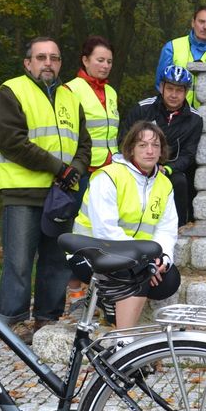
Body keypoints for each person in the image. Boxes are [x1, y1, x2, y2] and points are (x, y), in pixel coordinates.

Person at [0, 36, 91, 343]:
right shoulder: (10, 91)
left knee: (56, 261)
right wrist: (58, 168)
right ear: (28, 63)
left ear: (61, 63)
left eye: (55, 58)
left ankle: (47, 319)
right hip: (23, 192)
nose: (49, 63)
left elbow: (84, 144)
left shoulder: (70, 96)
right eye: (42, 57)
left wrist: (73, 170)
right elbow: (12, 143)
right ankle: (13, 321)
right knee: (19, 260)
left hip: (60, 194)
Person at [71, 121, 180, 329]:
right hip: (90, 252)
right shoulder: (108, 177)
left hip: (136, 256)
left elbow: (166, 229)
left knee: (169, 279)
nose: (150, 151)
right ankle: (124, 340)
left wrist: (161, 260)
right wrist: (143, 261)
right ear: (131, 149)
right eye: (142, 145)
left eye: (155, 145)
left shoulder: (165, 184)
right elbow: (106, 230)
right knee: (138, 273)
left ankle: (112, 300)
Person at [65, 36, 119, 308]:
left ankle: (98, 290)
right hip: (84, 171)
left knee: (103, 234)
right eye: (100, 60)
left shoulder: (111, 92)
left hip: (109, 173)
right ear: (85, 60)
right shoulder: (71, 90)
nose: (105, 65)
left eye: (109, 61)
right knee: (82, 231)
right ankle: (74, 291)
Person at [120, 65, 202, 226]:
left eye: (179, 90)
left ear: (186, 92)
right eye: (169, 88)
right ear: (161, 87)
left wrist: (167, 169)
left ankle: (179, 228)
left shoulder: (195, 120)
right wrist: (138, 164)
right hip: (137, 165)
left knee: (180, 182)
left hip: (169, 168)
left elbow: (188, 154)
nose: (173, 94)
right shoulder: (143, 109)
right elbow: (124, 140)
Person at [155, 5, 206, 107]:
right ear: (193, 23)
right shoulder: (171, 47)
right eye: (201, 22)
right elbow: (160, 84)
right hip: (175, 112)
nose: (205, 27)